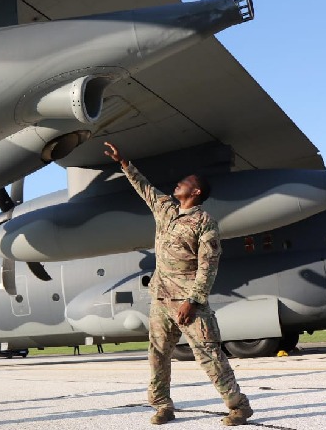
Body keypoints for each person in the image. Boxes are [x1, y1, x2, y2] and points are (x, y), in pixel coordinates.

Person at [104, 142, 253, 426]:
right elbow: (144, 187)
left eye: (184, 183)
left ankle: (238, 406)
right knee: (157, 354)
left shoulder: (204, 223)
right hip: (161, 299)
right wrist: (124, 163)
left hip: (188, 302)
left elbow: (208, 265)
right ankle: (163, 406)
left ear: (195, 192)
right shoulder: (165, 210)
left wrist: (193, 301)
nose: (178, 184)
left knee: (208, 354)